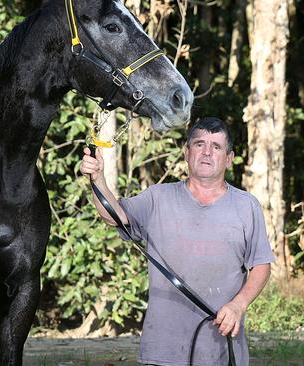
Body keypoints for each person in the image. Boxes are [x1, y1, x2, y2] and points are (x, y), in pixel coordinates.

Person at [79, 117, 274, 366]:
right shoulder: (157, 198)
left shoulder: (247, 206)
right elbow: (113, 216)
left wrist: (238, 305)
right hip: (163, 349)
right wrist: (98, 179)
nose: (206, 152)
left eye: (216, 147)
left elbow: (261, 265)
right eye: (199, 144)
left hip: (221, 349)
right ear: (186, 152)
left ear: (229, 158)